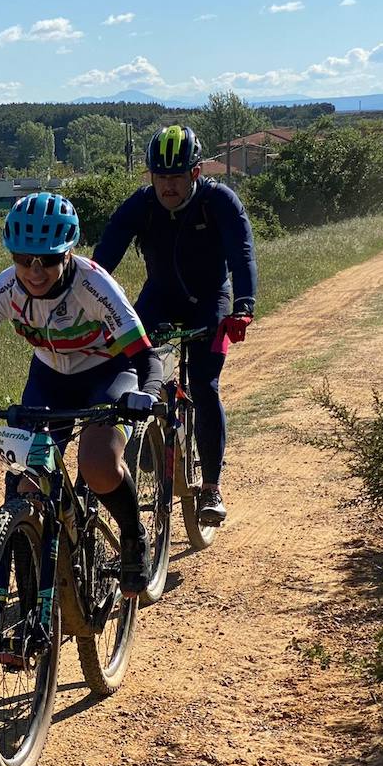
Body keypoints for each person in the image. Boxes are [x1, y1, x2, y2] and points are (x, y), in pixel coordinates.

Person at [0, 192, 162, 596]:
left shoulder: (95, 284)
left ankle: (133, 537)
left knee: (98, 464)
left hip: (108, 373)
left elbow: (145, 357)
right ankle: (34, 590)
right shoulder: (1, 291)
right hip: (49, 377)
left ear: (68, 254)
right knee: (26, 480)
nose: (34, 271)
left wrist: (148, 393)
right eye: (23, 258)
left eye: (48, 259)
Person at [92, 124, 258, 525]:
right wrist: (92, 305)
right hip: (159, 297)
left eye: (176, 176)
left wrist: (244, 306)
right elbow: (103, 260)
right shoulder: (142, 205)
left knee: (204, 384)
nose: (167, 185)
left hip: (211, 303)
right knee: (131, 367)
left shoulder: (220, 202)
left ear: (195, 173)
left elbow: (242, 254)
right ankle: (151, 428)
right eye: (160, 176)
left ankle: (211, 488)